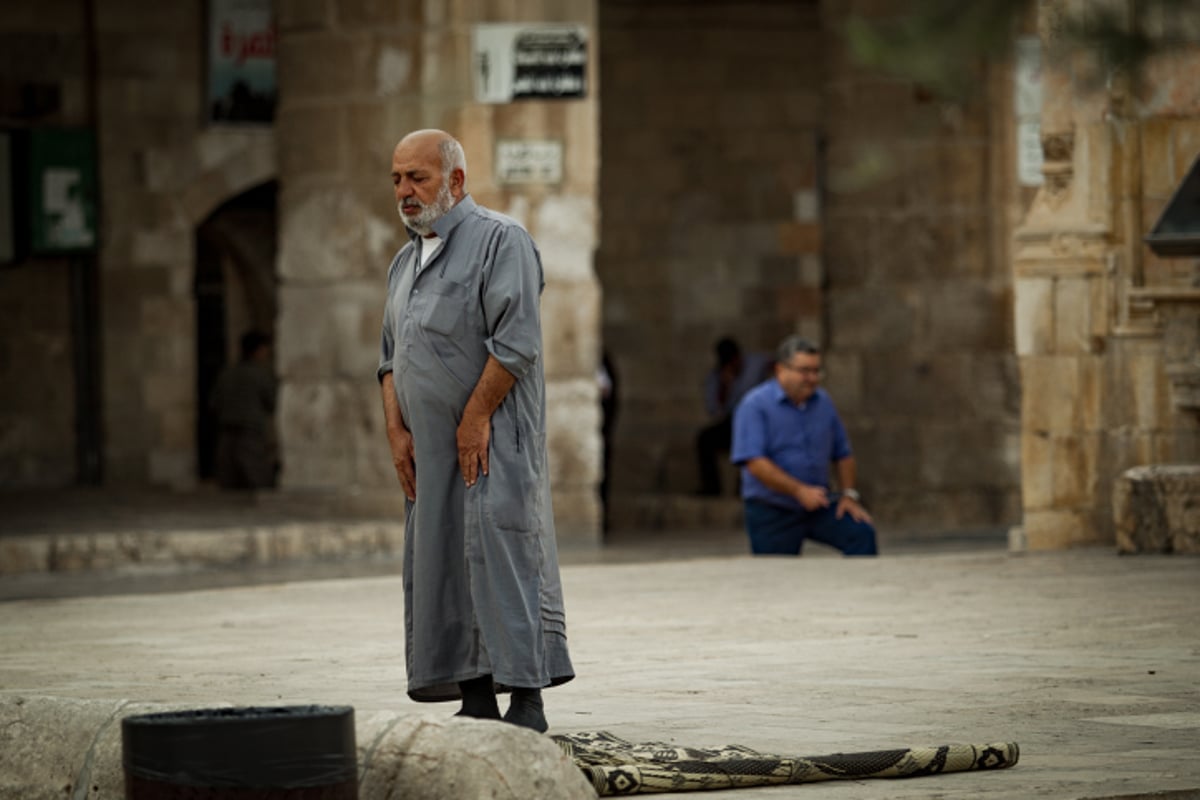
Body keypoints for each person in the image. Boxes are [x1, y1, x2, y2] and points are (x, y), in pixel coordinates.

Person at [376, 129, 574, 733]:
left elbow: (516, 343)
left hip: (491, 445)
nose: (406, 192)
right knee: (441, 562)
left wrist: (474, 418)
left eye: (419, 178)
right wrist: (396, 432)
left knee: (503, 556)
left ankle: (527, 703)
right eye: (397, 179)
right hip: (431, 455)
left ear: (456, 181)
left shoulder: (500, 240)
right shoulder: (405, 260)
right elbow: (389, 356)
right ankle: (476, 697)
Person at [730, 335, 878, 556]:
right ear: (781, 370)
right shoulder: (755, 405)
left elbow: (843, 453)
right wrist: (798, 490)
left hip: (818, 503)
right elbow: (755, 463)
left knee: (860, 533)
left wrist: (848, 495)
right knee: (777, 576)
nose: (811, 378)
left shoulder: (823, 402)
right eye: (804, 371)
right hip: (772, 509)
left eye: (816, 371)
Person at [696, 337, 772, 496]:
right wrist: (725, 388)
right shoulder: (716, 378)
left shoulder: (755, 363)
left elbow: (776, 363)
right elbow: (716, 410)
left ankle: (745, 487)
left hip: (757, 419)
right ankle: (711, 488)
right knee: (704, 439)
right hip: (732, 421)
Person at [210, 329, 278, 490]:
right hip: (250, 435)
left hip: (227, 435)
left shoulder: (227, 373)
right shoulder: (260, 374)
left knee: (229, 486)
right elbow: (272, 403)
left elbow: (214, 404)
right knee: (259, 482)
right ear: (260, 350)